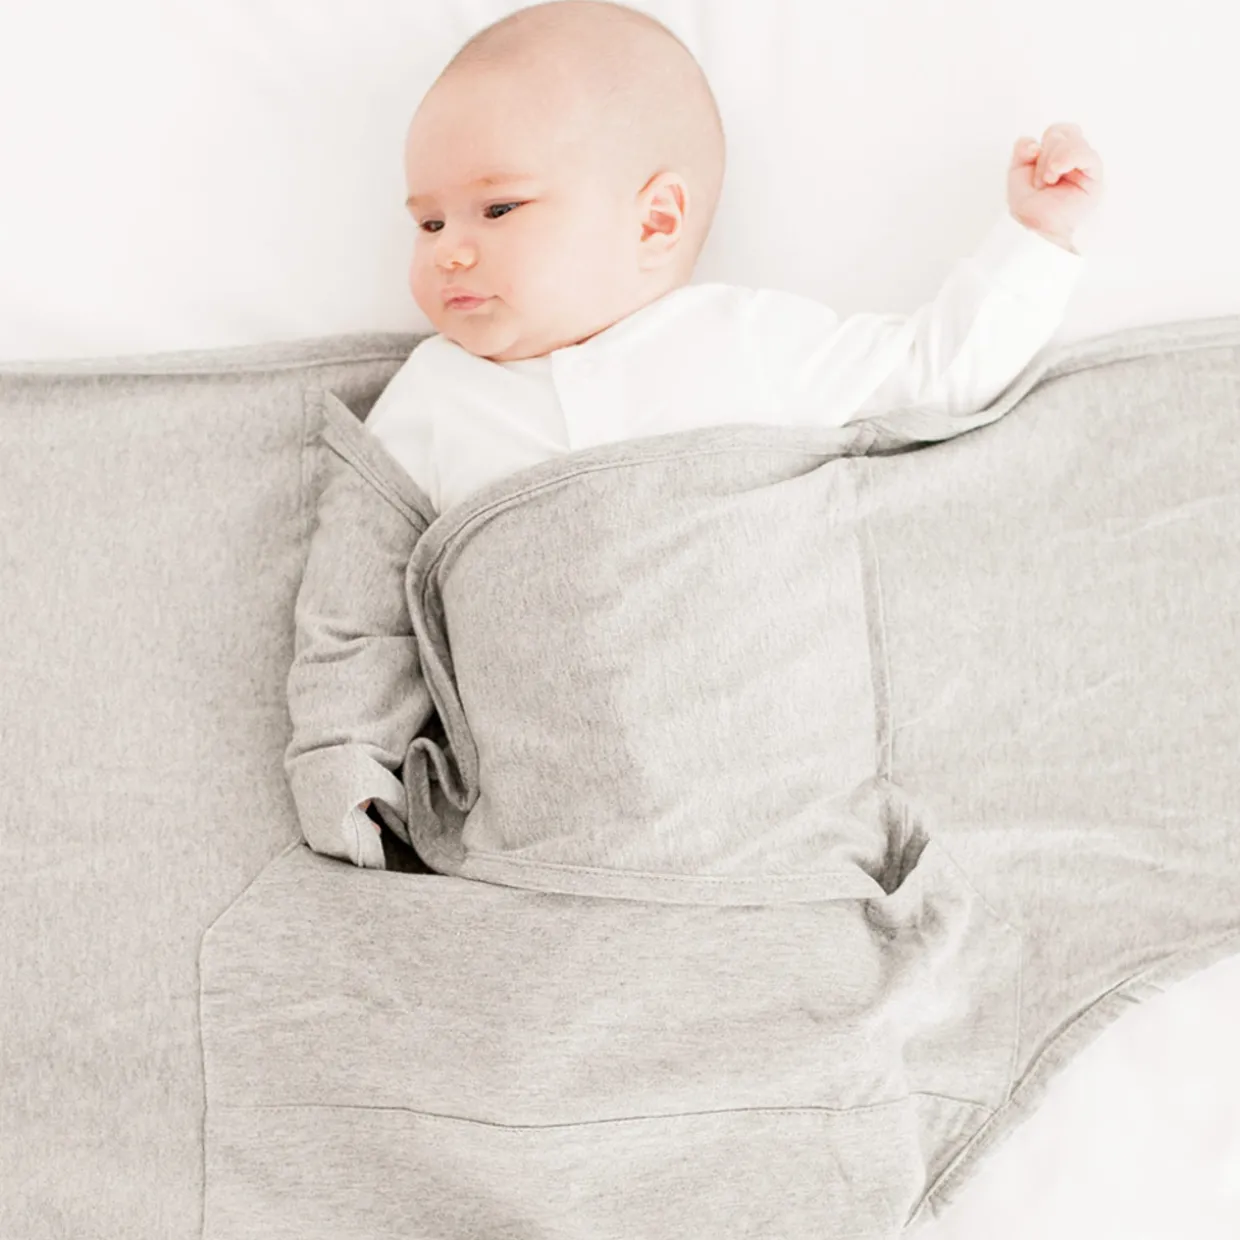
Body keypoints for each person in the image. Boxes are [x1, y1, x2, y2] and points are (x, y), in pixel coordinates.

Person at [355, 0, 1104, 835]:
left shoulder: (746, 343)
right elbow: (357, 606)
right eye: (428, 222)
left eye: (498, 210)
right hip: (540, 821)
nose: (449, 250)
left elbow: (933, 374)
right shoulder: (434, 395)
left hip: (772, 797)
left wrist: (1035, 239)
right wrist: (345, 756)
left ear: (655, 221)